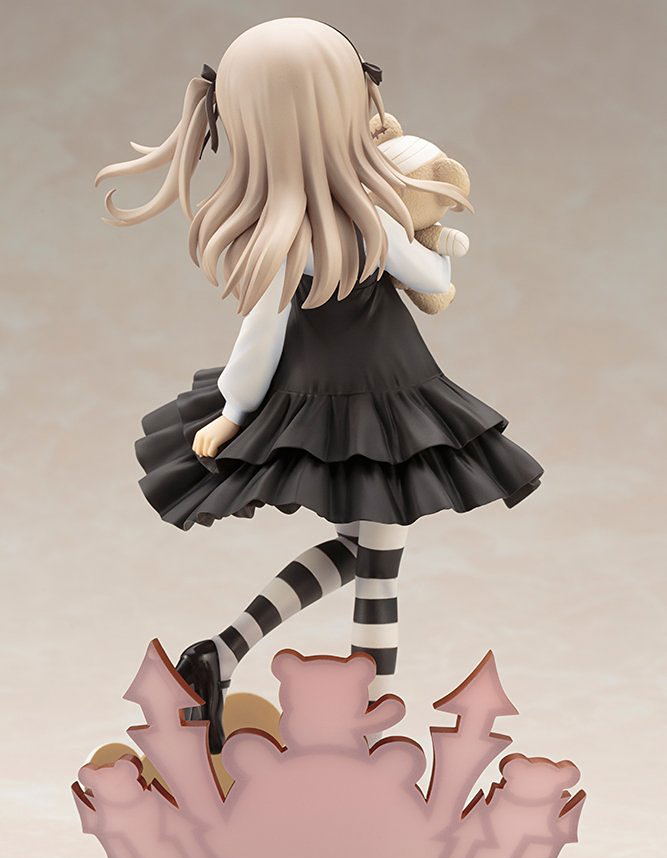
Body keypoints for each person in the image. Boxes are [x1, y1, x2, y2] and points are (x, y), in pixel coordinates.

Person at [96, 18, 543, 752]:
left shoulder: (289, 229)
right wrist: (435, 243)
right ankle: (368, 725)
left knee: (362, 546)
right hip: (388, 402)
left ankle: (224, 655)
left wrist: (238, 407)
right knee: (379, 560)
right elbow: (430, 282)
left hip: (336, 401)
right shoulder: (368, 221)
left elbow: (262, 331)